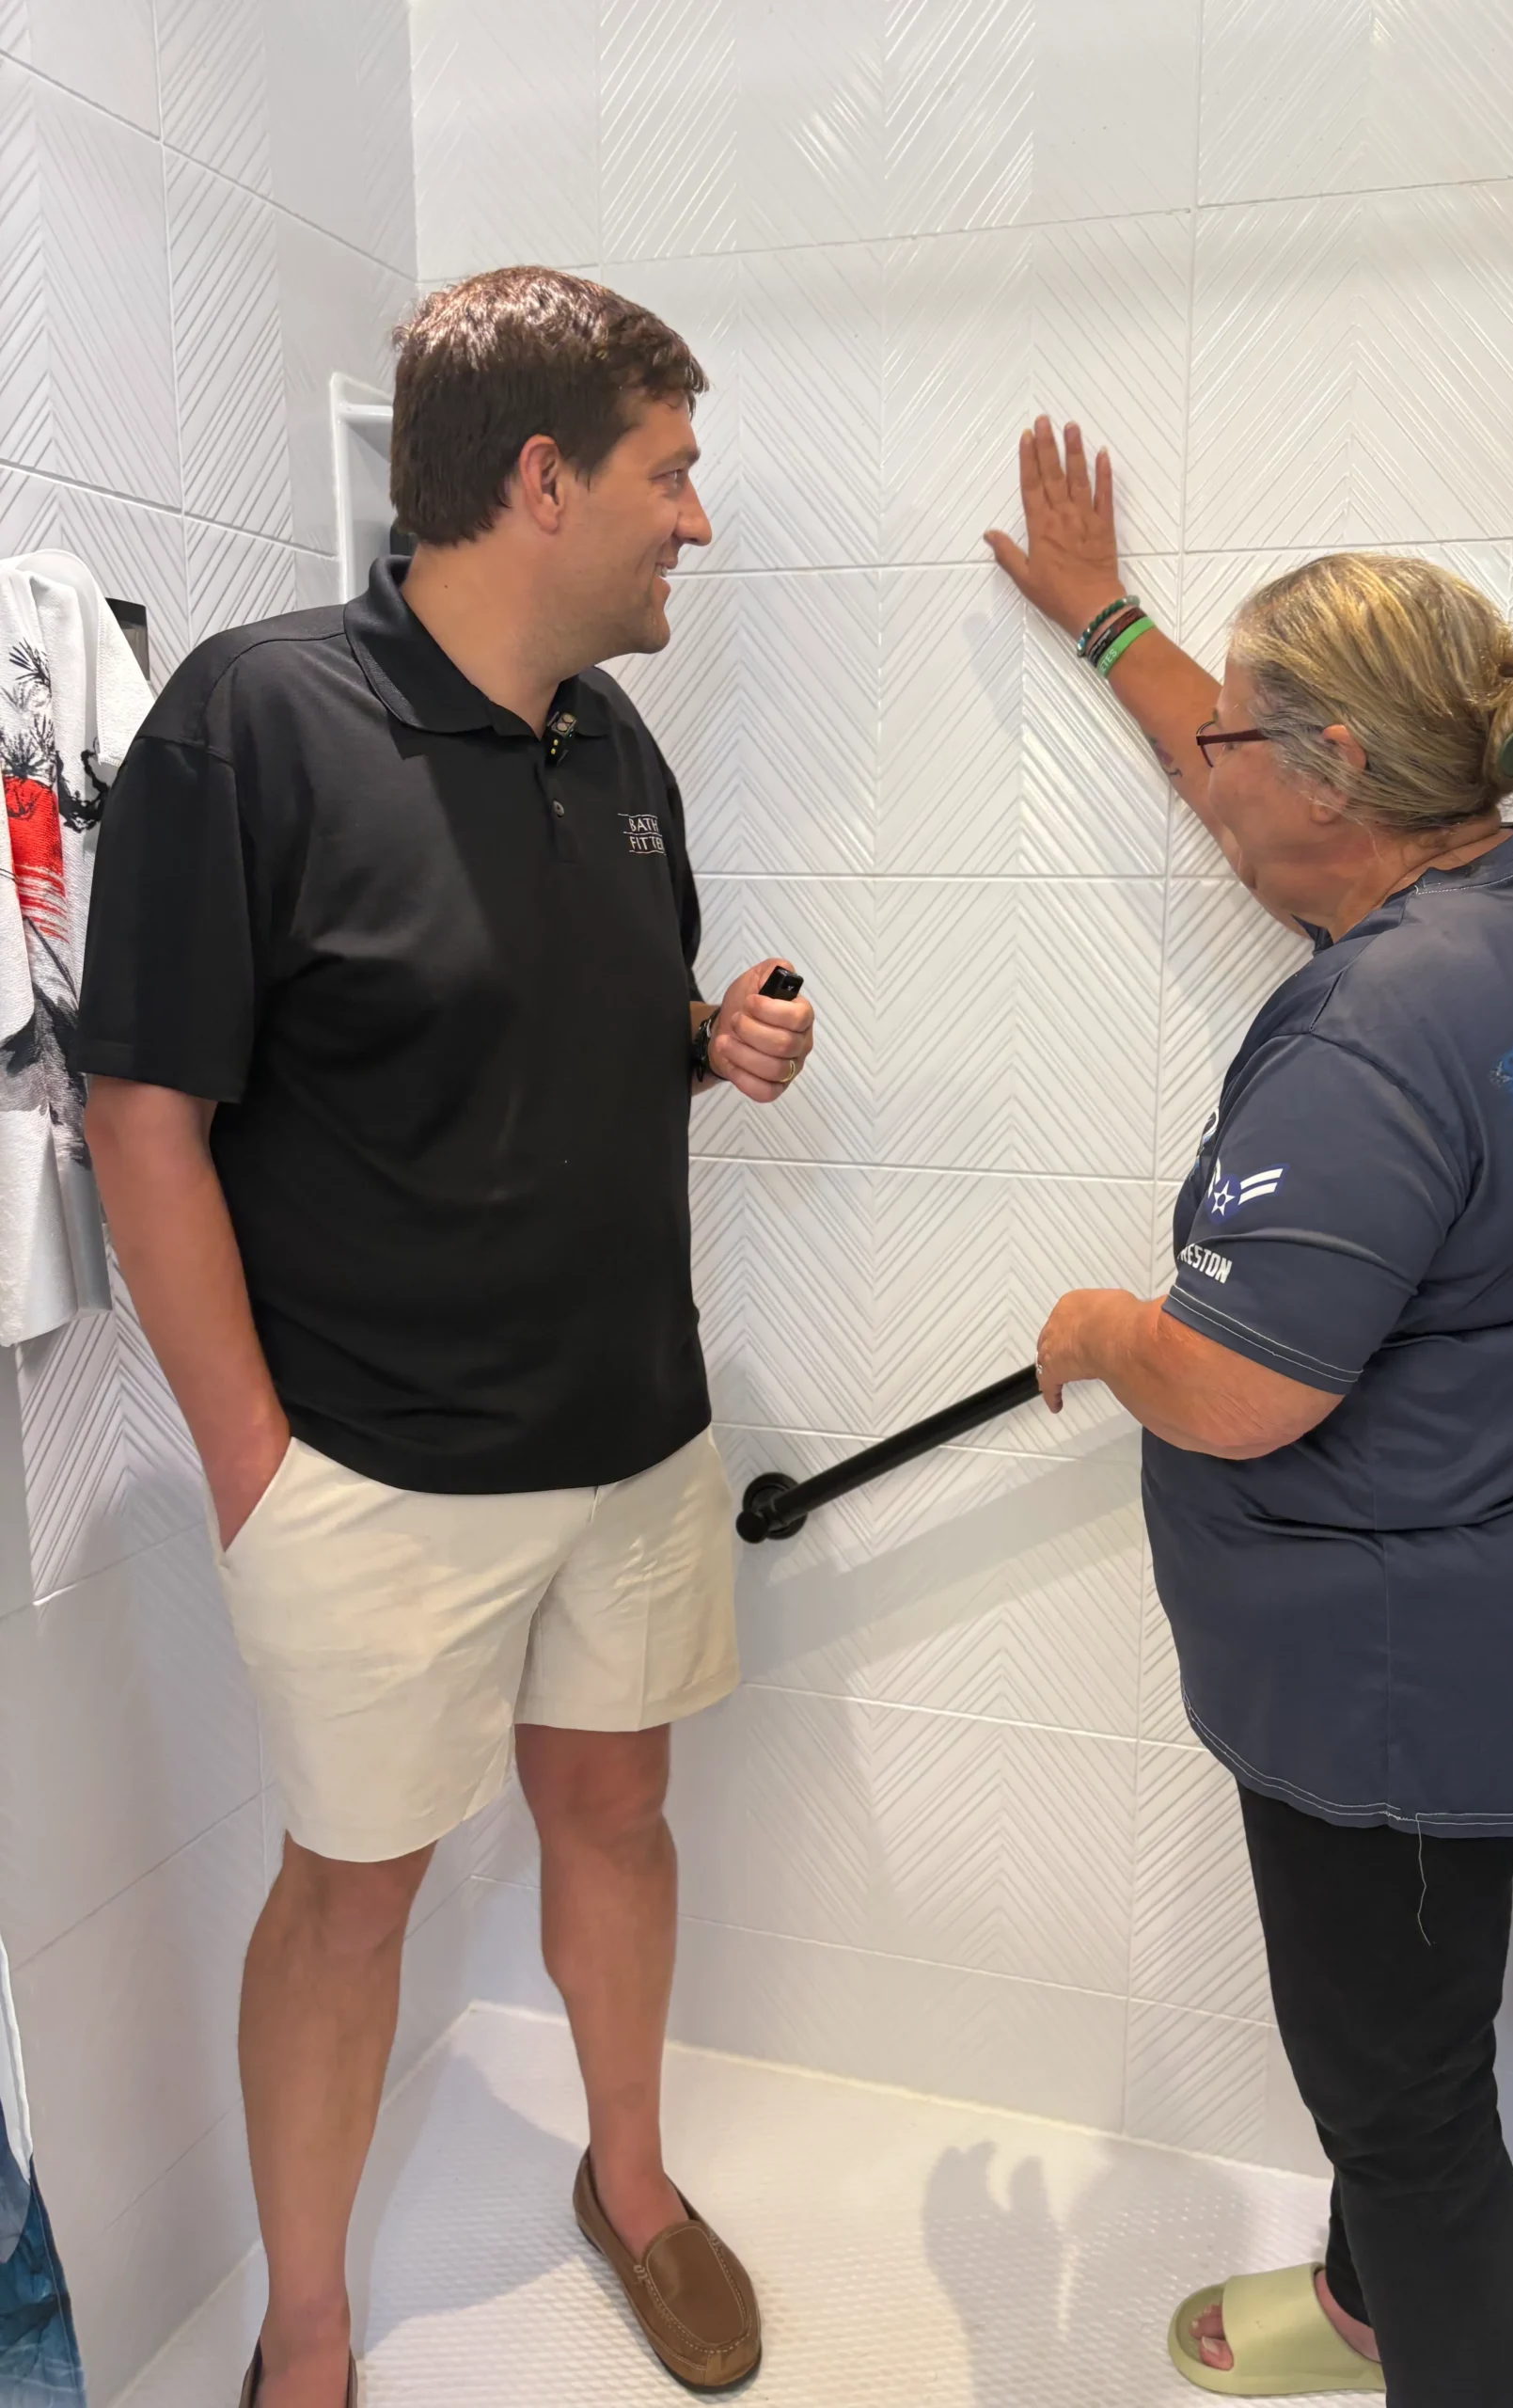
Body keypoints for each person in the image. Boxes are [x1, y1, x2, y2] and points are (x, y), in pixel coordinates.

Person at [75, 269, 812, 2408]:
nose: (695, 520)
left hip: (634, 1437)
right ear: (542, 478)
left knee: (620, 1814)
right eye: (671, 473)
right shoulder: (255, 724)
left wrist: (703, 1039)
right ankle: (307, 2328)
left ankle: (631, 2187)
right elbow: (145, 1114)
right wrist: (254, 1464)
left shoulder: (613, 744)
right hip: (373, 1469)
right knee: (352, 1900)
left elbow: (533, 1028)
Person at [986, 422, 1513, 2406]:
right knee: (1418, 2041)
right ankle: (1368, 2317)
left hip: (1399, 1680)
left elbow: (1237, 1392)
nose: (1210, 766)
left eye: (1240, 733)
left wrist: (1106, 1328)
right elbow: (1249, 798)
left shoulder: (1372, 1030)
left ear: (1340, 772)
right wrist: (1105, 621)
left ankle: (1427, 2335)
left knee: (1406, 2110)